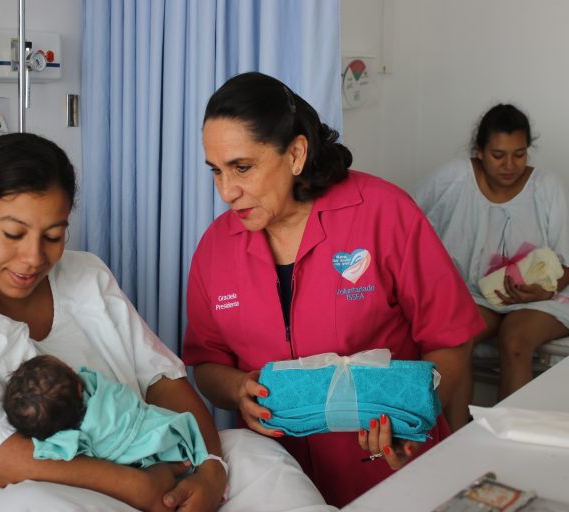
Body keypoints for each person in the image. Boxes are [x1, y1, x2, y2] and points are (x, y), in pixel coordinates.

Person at [0, 132, 336, 512]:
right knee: (33, 506)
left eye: (54, 235)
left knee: (246, 454)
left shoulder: (84, 274)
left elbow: (164, 381)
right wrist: (132, 485)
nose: (33, 258)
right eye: (13, 234)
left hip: (136, 463)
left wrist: (208, 468)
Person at [181, 72, 486, 508]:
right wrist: (236, 389)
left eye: (242, 167)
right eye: (216, 171)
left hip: (389, 467)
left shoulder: (383, 214)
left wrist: (417, 417)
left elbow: (451, 339)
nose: (227, 191)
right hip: (277, 485)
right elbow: (207, 362)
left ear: (296, 153)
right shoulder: (215, 248)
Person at [413, 104, 569, 432]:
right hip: (474, 294)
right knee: (457, 337)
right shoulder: (455, 177)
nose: (509, 165)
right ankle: (457, 438)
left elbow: (568, 264)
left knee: (515, 339)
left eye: (519, 154)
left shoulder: (546, 186)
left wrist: (545, 288)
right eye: (498, 155)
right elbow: (407, 223)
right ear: (479, 152)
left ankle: (511, 439)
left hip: (540, 298)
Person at [3, 354, 209, 469]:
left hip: (134, 464)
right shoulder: (104, 394)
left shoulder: (65, 443)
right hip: (152, 439)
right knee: (176, 432)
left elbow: (47, 451)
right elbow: (125, 397)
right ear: (79, 388)